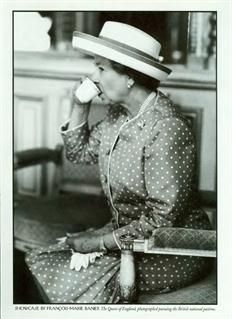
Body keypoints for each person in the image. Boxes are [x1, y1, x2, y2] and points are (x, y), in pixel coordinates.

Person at [26, 21, 212, 303]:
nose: (93, 77)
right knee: (46, 258)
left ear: (130, 77)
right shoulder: (119, 115)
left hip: (169, 248)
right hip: (125, 237)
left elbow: (161, 221)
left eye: (101, 68)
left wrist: (96, 242)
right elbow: (79, 153)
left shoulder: (166, 127)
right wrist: (80, 105)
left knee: (60, 272)